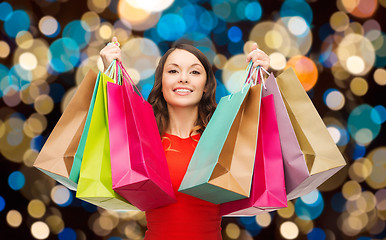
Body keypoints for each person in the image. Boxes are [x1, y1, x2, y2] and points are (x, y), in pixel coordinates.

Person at [100, 36, 270, 240]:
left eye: (195, 72)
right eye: (173, 71)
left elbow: (266, 152)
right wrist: (111, 71)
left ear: (206, 85)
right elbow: (112, 129)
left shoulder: (224, 140)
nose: (183, 78)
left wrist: (263, 84)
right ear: (161, 83)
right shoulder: (144, 139)